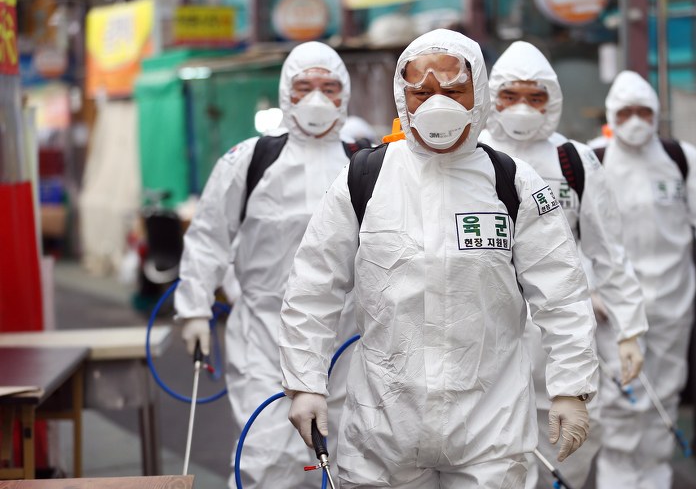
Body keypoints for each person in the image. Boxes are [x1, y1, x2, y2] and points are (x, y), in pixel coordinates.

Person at [278, 29, 598, 488]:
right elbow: (313, 285)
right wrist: (305, 382)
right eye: (422, 93)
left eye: (453, 91)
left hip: (490, 427)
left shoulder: (513, 182)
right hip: (384, 427)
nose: (437, 105)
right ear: (402, 98)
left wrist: (571, 387)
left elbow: (562, 292)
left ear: (478, 94)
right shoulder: (365, 177)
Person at [174, 41, 357, 489]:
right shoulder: (251, 160)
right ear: (285, 92)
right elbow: (209, 234)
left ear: (345, 93)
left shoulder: (365, 162)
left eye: (329, 87)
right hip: (265, 333)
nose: (317, 98)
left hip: (348, 337)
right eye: (304, 87)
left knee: (350, 458)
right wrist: (194, 307)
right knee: (268, 454)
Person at [479, 41, 648, 489]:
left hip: (561, 334)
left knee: (569, 446)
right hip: (483, 334)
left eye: (535, 97)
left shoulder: (574, 160)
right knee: (492, 455)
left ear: (552, 101)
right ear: (491, 97)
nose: (522, 107)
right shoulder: (469, 155)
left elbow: (609, 251)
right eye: (510, 95)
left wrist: (629, 329)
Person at [594, 70, 696, 489]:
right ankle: (617, 474)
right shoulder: (592, 160)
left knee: (666, 390)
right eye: (625, 113)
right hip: (614, 305)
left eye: (644, 112)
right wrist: (588, 289)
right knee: (620, 392)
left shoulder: (681, 158)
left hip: (673, 298)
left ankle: (654, 474)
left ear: (656, 114)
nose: (635, 121)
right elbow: (570, 231)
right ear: (611, 115)